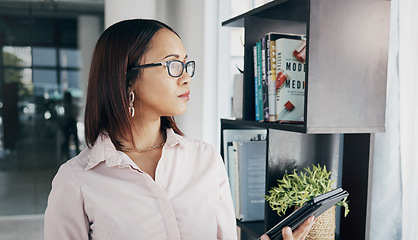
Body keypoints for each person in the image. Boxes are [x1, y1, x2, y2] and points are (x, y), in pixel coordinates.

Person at [44, 19, 314, 240]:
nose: (186, 77)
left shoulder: (205, 159)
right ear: (127, 78)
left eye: (186, 65)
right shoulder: (76, 180)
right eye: (173, 65)